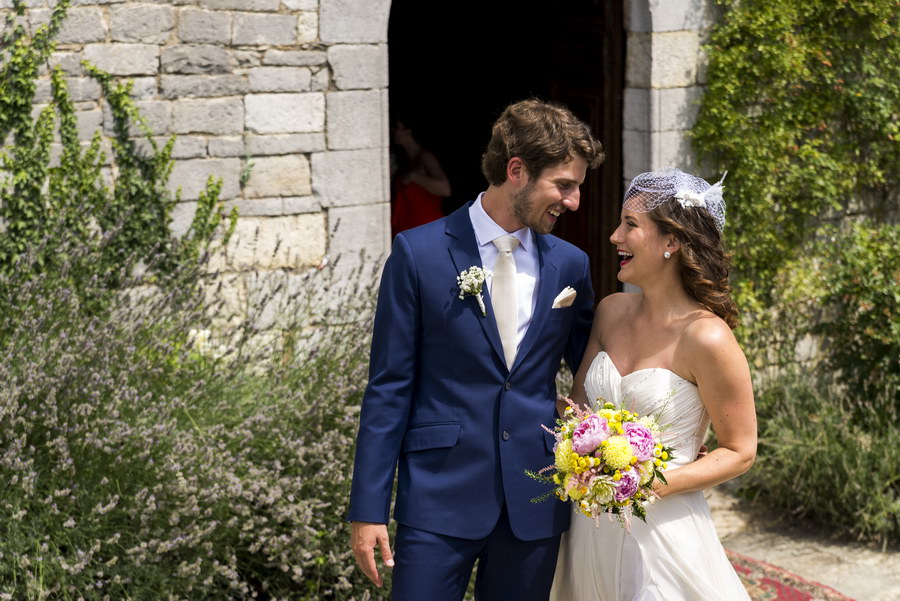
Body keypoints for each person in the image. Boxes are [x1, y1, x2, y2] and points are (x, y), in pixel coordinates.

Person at [348, 99, 604, 601]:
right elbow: (388, 388)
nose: (573, 201)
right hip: (437, 499)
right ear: (516, 171)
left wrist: (655, 428)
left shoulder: (570, 265)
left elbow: (598, 369)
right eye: (564, 184)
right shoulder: (417, 254)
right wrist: (368, 508)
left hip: (535, 498)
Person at [549, 167, 757, 600]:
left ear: (671, 241)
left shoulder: (708, 337)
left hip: (662, 531)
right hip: (591, 525)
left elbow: (740, 451)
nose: (614, 236)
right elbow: (579, 411)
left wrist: (645, 483)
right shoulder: (609, 311)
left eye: (630, 224)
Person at [390, 119, 451, 236]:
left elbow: (445, 189)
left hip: (429, 229)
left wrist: (414, 176)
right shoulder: (405, 160)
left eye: (397, 127)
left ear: (408, 132)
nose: (393, 131)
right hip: (411, 230)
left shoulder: (425, 157)